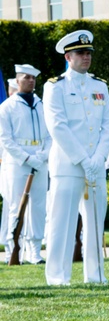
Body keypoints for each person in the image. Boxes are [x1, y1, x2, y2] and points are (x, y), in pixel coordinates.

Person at [43, 30, 109, 285]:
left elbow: (108, 124)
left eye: (88, 53)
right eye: (81, 53)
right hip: (68, 165)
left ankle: (95, 275)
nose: (86, 57)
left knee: (95, 223)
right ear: (68, 56)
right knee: (62, 223)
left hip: (96, 165)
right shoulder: (55, 86)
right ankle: (57, 276)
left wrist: (99, 158)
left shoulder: (100, 85)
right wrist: (84, 159)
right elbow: (57, 126)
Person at [0, 64, 50, 263]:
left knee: (38, 207)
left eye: (33, 78)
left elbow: (50, 135)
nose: (31, 81)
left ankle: (35, 250)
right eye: (26, 77)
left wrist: (42, 156)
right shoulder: (6, 107)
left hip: (40, 159)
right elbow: (6, 140)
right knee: (15, 206)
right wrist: (27, 158)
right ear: (17, 80)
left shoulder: (42, 105)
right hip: (18, 161)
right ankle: (13, 250)